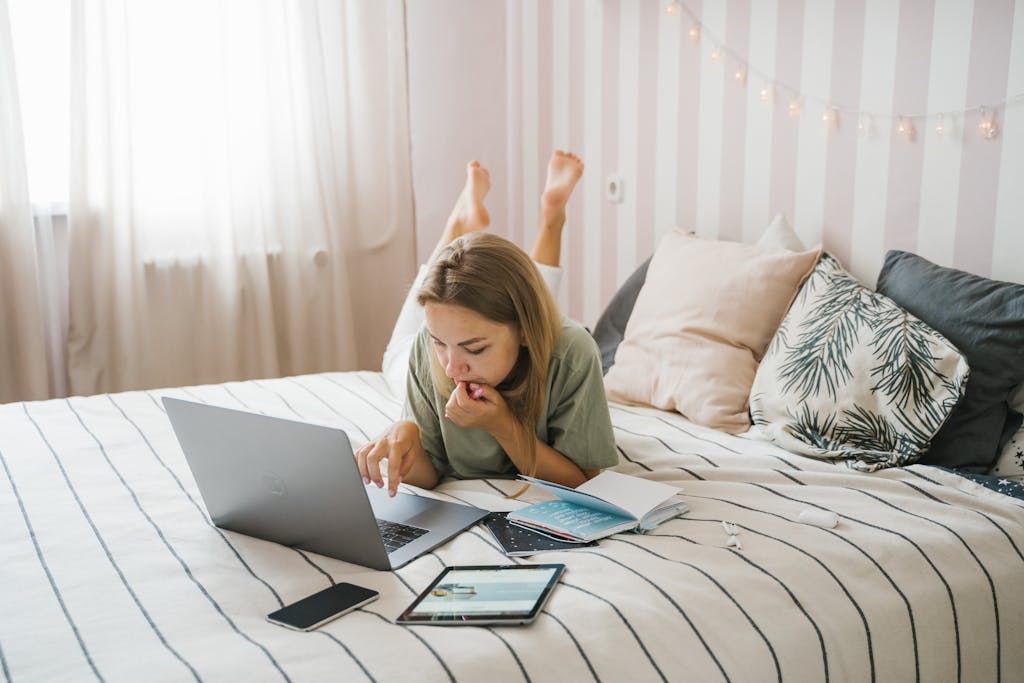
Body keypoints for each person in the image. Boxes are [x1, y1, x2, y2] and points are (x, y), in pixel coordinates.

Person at [358, 151, 617, 496]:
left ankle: (500, 221)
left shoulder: (572, 354)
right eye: (439, 343)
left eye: (474, 348)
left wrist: (503, 426)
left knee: (524, 296)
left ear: (524, 332)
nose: (452, 367)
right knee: (405, 350)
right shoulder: (426, 344)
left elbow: (585, 483)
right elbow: (431, 472)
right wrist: (405, 446)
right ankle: (511, 222)